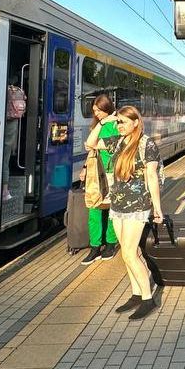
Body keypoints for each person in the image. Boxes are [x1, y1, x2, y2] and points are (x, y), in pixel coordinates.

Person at [104, 106, 165, 320]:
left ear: (136, 122)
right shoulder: (118, 141)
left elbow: (152, 176)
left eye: (123, 121)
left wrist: (157, 208)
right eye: (118, 122)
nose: (119, 125)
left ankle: (148, 299)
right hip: (118, 204)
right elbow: (91, 143)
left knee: (130, 254)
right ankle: (136, 294)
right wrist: (105, 121)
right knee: (127, 253)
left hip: (137, 205)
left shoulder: (147, 144)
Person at [80, 93, 120, 266]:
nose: (96, 114)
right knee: (94, 208)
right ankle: (95, 246)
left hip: (111, 173)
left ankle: (110, 243)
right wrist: (84, 168)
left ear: (107, 108)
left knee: (111, 210)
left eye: (99, 111)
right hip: (95, 172)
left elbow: (93, 144)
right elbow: (92, 149)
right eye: (94, 111)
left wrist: (104, 123)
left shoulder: (117, 125)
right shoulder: (99, 124)